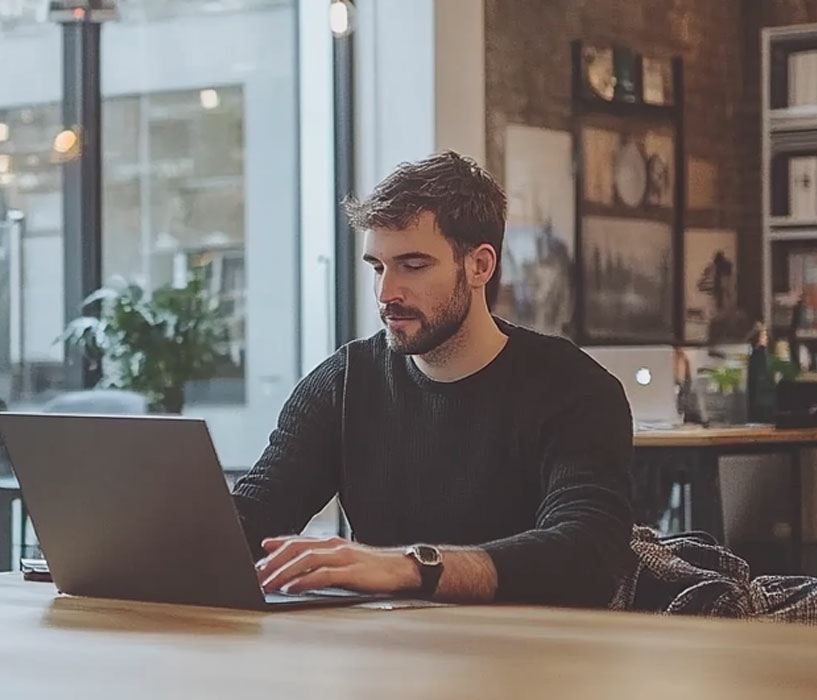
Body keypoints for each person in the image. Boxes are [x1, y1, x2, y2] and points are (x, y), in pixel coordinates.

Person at [231, 151, 634, 608]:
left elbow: (588, 555)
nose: (387, 293)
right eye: (378, 267)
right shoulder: (343, 384)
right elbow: (254, 516)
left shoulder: (574, 390)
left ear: (480, 266)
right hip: (390, 654)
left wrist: (410, 569)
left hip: (536, 657)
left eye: (413, 265)